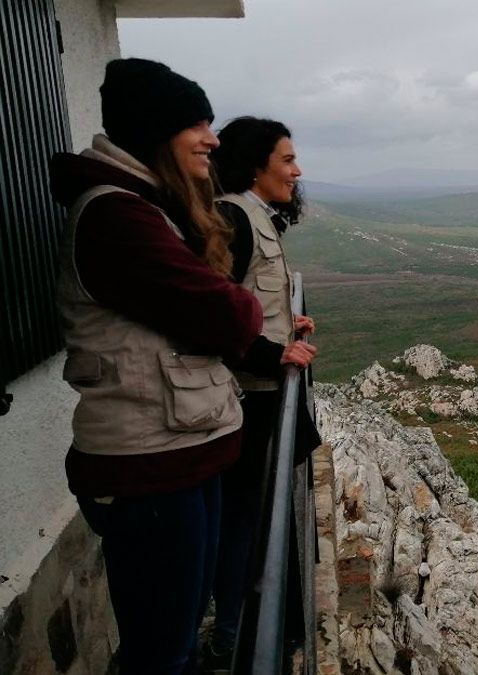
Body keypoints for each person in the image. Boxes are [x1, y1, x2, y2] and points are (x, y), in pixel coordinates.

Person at [49, 58, 264, 674]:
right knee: (161, 649)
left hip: (175, 454)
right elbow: (230, 318)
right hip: (147, 468)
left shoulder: (148, 208)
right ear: (155, 131)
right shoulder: (118, 215)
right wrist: (241, 307)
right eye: (196, 123)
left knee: (176, 635)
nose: (212, 138)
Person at [205, 116, 321, 667]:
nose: (297, 172)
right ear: (256, 166)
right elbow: (214, 313)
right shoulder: (234, 218)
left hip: (262, 390)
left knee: (254, 514)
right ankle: (234, 635)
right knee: (246, 519)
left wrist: (285, 329)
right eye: (287, 160)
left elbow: (252, 303)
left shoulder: (258, 218)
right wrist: (271, 353)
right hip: (248, 398)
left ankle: (247, 625)